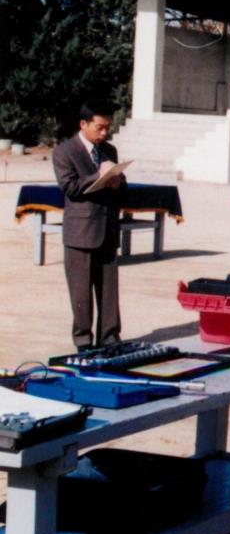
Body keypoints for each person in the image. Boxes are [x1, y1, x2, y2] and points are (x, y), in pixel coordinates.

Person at [52, 100, 126, 350]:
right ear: (83, 124)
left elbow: (119, 183)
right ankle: (83, 341)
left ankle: (110, 337)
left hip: (107, 228)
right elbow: (70, 187)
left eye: (107, 127)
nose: (104, 133)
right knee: (81, 291)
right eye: (100, 127)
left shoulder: (109, 151)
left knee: (109, 291)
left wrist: (117, 181)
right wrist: (100, 176)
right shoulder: (64, 152)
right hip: (80, 232)